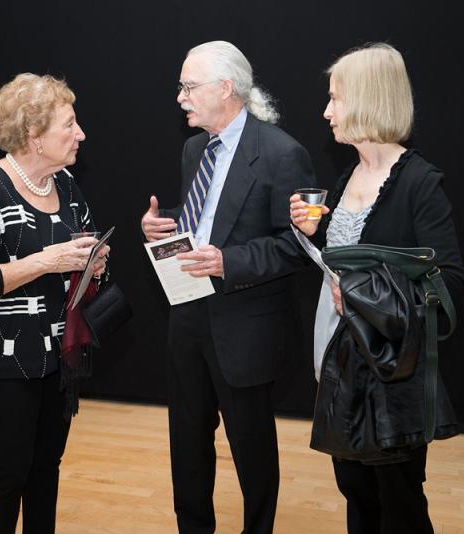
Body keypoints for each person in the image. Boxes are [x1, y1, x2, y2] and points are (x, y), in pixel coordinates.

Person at [141, 41, 316, 534]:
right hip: (187, 313)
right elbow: (206, 218)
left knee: (251, 449)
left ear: (225, 88)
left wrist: (228, 261)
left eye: (188, 86)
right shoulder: (194, 148)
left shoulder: (283, 154)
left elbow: (296, 245)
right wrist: (162, 224)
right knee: (187, 440)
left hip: (245, 323)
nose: (180, 97)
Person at [290, 43, 464, 534]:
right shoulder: (349, 176)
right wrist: (314, 233)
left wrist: (365, 295)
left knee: (400, 505)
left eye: (335, 98)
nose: (326, 112)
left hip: (392, 376)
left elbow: (449, 284)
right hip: (342, 363)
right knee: (356, 492)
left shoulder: (419, 183)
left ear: (368, 99)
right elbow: (344, 263)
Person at [0, 73, 109, 534]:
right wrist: (46, 261)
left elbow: (82, 250)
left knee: (46, 467)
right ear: (34, 136)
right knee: (9, 472)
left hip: (58, 355)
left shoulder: (66, 184)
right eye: (69, 125)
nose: (81, 134)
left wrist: (94, 262)